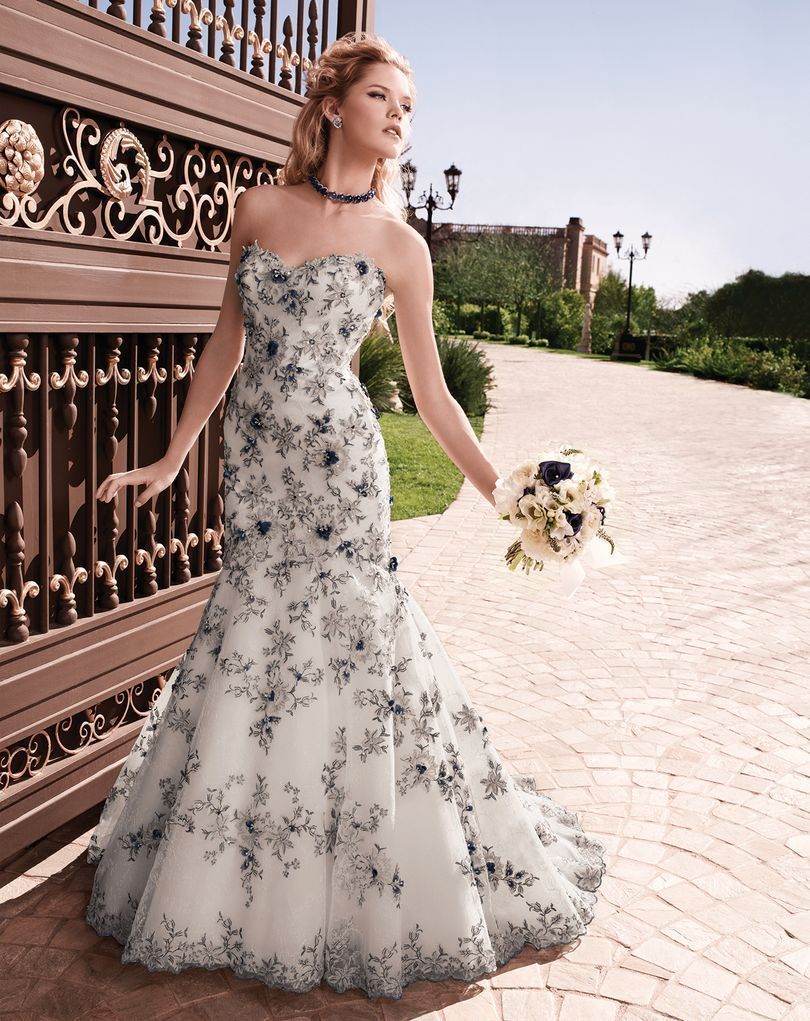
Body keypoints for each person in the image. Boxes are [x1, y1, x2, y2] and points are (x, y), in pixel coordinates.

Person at [85, 31, 607, 1002]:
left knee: (359, 653)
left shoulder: (400, 246)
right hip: (259, 469)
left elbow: (435, 398)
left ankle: (365, 874)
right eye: (382, 96)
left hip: (342, 474)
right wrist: (170, 456)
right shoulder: (256, 209)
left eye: (408, 104)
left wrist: (511, 495)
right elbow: (222, 349)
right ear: (332, 106)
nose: (400, 115)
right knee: (252, 639)